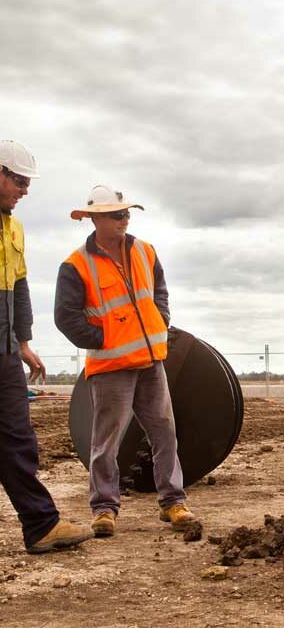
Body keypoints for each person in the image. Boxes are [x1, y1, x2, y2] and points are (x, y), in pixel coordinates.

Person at [54, 184, 196, 538]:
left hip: (151, 362)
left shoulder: (145, 251)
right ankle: (104, 508)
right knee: (106, 440)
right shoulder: (76, 265)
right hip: (111, 367)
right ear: (96, 219)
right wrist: (103, 339)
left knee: (165, 432)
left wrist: (160, 317)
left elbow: (159, 291)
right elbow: (65, 316)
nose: (125, 218)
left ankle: (173, 502)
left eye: (127, 213)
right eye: (117, 214)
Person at [0, 140, 93, 554]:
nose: (24, 190)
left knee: (18, 438)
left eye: (26, 183)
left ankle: (40, 525)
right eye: (18, 181)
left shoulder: (14, 229)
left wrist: (22, 342)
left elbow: (18, 288)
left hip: (3, 353)